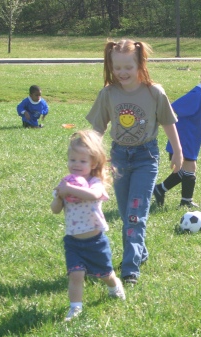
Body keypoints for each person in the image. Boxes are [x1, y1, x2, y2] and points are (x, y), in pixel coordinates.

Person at [86, 39, 183, 285]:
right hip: (118, 158)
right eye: (117, 67)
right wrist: (91, 157)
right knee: (125, 212)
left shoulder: (154, 92)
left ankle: (130, 269)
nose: (122, 72)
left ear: (140, 63)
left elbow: (168, 123)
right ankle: (140, 252)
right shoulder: (108, 93)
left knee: (135, 216)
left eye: (128, 67)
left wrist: (177, 152)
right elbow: (98, 127)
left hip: (145, 158)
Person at [51, 130, 126, 322]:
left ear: (93, 164)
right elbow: (55, 209)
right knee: (75, 275)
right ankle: (75, 308)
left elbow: (93, 195)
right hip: (73, 241)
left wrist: (70, 189)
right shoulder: (66, 182)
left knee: (104, 273)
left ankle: (113, 285)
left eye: (82, 161)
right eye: (72, 160)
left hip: (95, 241)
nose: (76, 164)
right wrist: (60, 196)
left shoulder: (95, 182)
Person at [153, 61, 201, 208]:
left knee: (185, 171)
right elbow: (172, 108)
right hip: (184, 140)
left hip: (192, 141)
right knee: (190, 169)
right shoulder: (196, 95)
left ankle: (160, 189)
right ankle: (185, 201)